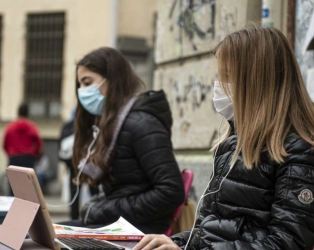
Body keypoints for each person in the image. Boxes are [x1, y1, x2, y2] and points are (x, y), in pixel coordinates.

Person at [134, 24, 314, 250]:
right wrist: (175, 242)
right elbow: (210, 230)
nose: (219, 86)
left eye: (228, 77)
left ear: (257, 82)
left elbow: (288, 242)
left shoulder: (299, 151)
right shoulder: (231, 145)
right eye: (220, 77)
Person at [63, 47, 185, 234]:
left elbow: (170, 192)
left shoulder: (141, 124)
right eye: (79, 85)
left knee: (36, 242)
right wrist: (99, 208)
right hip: (119, 227)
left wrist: (104, 211)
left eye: (87, 83)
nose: (82, 91)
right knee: (37, 235)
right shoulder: (114, 122)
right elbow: (122, 192)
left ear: (112, 80)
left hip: (139, 232)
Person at [58, 108, 99, 220]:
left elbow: (61, 147)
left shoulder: (70, 126)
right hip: (84, 164)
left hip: (76, 165)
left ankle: (76, 216)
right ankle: (94, 214)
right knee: (92, 191)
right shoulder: (90, 126)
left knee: (77, 191)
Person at [3, 103, 42, 196]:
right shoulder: (32, 127)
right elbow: (39, 144)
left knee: (12, 185)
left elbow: (4, 144)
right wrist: (35, 154)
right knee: (28, 187)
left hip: (14, 158)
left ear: (18, 113)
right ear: (28, 114)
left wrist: (11, 153)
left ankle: (12, 208)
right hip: (28, 159)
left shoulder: (10, 127)